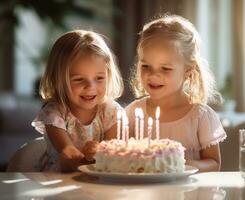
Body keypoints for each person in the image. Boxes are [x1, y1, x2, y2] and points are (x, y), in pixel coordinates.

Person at [126, 15, 226, 172]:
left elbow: (214, 164)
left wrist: (177, 162)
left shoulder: (200, 117)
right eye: (146, 66)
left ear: (188, 71)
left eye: (165, 68)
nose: (153, 75)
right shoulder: (133, 113)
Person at [32, 30, 124, 172]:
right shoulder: (54, 113)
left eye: (99, 78)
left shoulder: (111, 112)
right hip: (58, 178)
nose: (90, 87)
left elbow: (113, 152)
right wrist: (85, 157)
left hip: (100, 178)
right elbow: (69, 155)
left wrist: (100, 151)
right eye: (79, 79)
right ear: (58, 80)